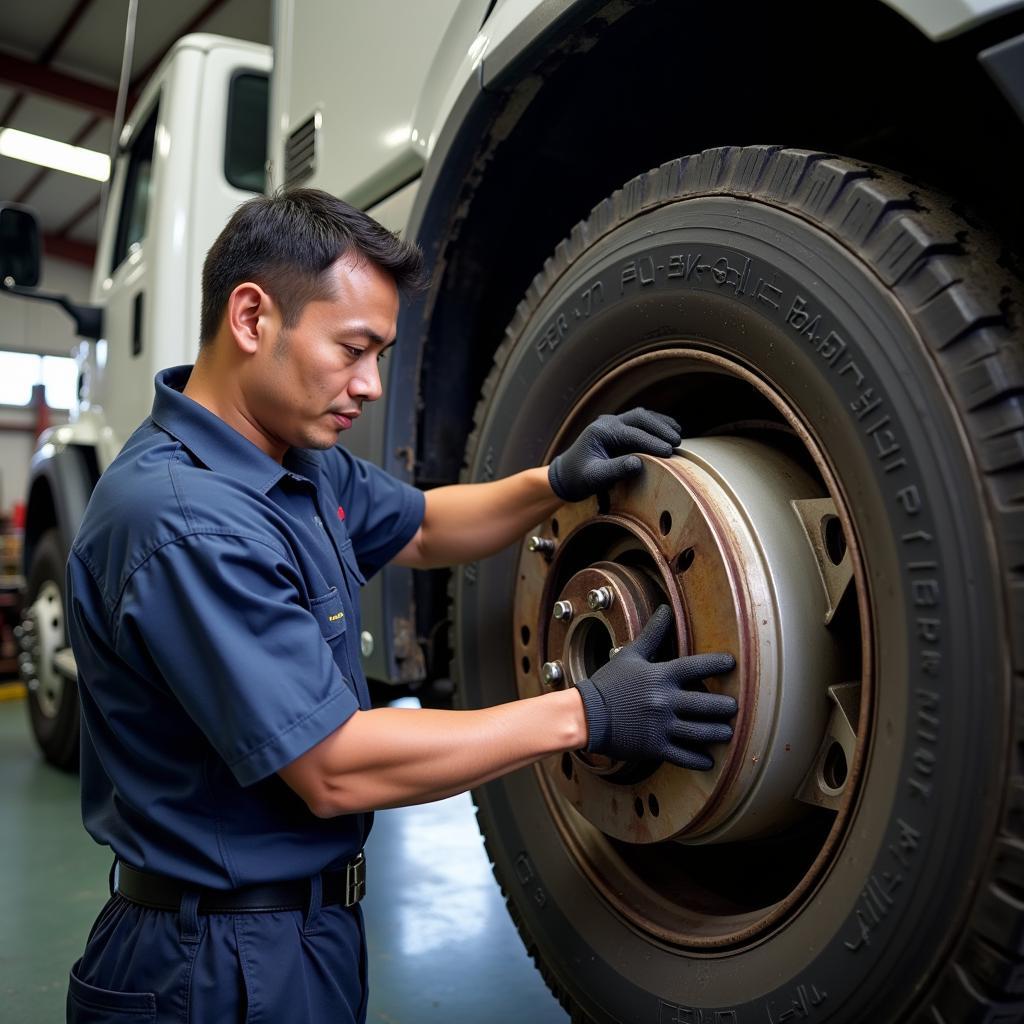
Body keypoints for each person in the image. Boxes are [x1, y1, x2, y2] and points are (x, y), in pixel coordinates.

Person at [65, 189, 738, 1023]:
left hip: (302, 933)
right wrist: (584, 715)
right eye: (353, 349)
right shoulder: (181, 518)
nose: (372, 386)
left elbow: (422, 528)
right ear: (250, 317)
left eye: (380, 355)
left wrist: (552, 482)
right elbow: (334, 767)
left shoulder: (293, 458)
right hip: (209, 967)